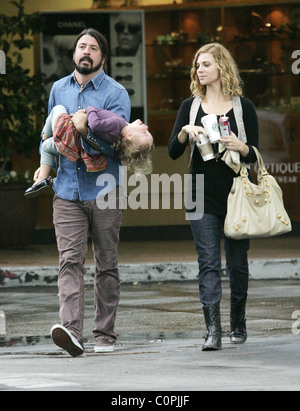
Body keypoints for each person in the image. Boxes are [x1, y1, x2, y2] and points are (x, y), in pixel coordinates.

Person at [34, 28, 133, 357]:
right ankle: (72, 333)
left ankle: (104, 334)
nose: (86, 52)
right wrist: (44, 162)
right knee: (69, 261)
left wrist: (85, 128)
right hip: (66, 190)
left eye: (93, 48)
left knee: (106, 264)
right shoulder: (58, 89)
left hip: (105, 189)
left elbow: (119, 146)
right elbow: (50, 132)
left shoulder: (116, 93)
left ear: (103, 57)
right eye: (81, 47)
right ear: (74, 54)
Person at [168, 43, 259, 351]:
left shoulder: (242, 107)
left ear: (222, 67)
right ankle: (213, 331)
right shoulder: (190, 106)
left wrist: (240, 146)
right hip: (199, 194)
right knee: (208, 262)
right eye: (197, 65)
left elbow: (255, 155)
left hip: (236, 194)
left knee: (236, 262)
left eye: (205, 64)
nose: (199, 69)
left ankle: (238, 323)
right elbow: (173, 151)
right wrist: (185, 131)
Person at [24, 104, 153, 197]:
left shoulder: (117, 124)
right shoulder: (116, 144)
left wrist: (90, 109)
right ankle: (42, 177)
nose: (146, 126)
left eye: (145, 132)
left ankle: (45, 138)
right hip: (78, 146)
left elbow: (95, 125)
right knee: (48, 147)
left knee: (57, 109)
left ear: (129, 137)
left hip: (70, 133)